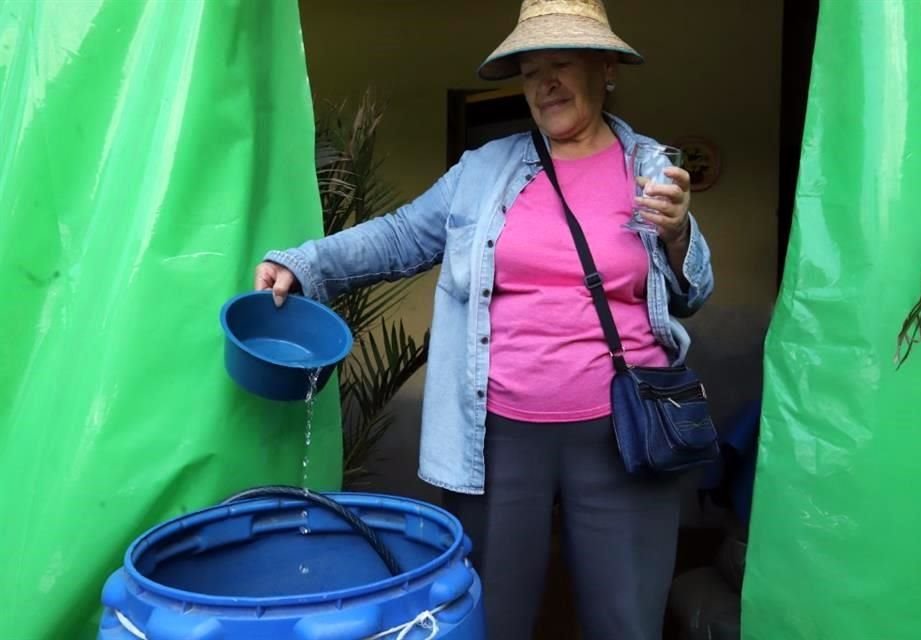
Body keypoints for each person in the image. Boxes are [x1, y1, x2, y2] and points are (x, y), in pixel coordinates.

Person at [255, 0, 713, 637]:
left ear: (605, 69)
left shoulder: (650, 169)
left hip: (623, 432)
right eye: (530, 70)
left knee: (626, 619)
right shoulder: (483, 171)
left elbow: (692, 293)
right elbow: (399, 237)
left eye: (562, 64)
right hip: (498, 434)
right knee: (491, 614)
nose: (545, 83)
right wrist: (305, 265)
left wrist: (678, 232)